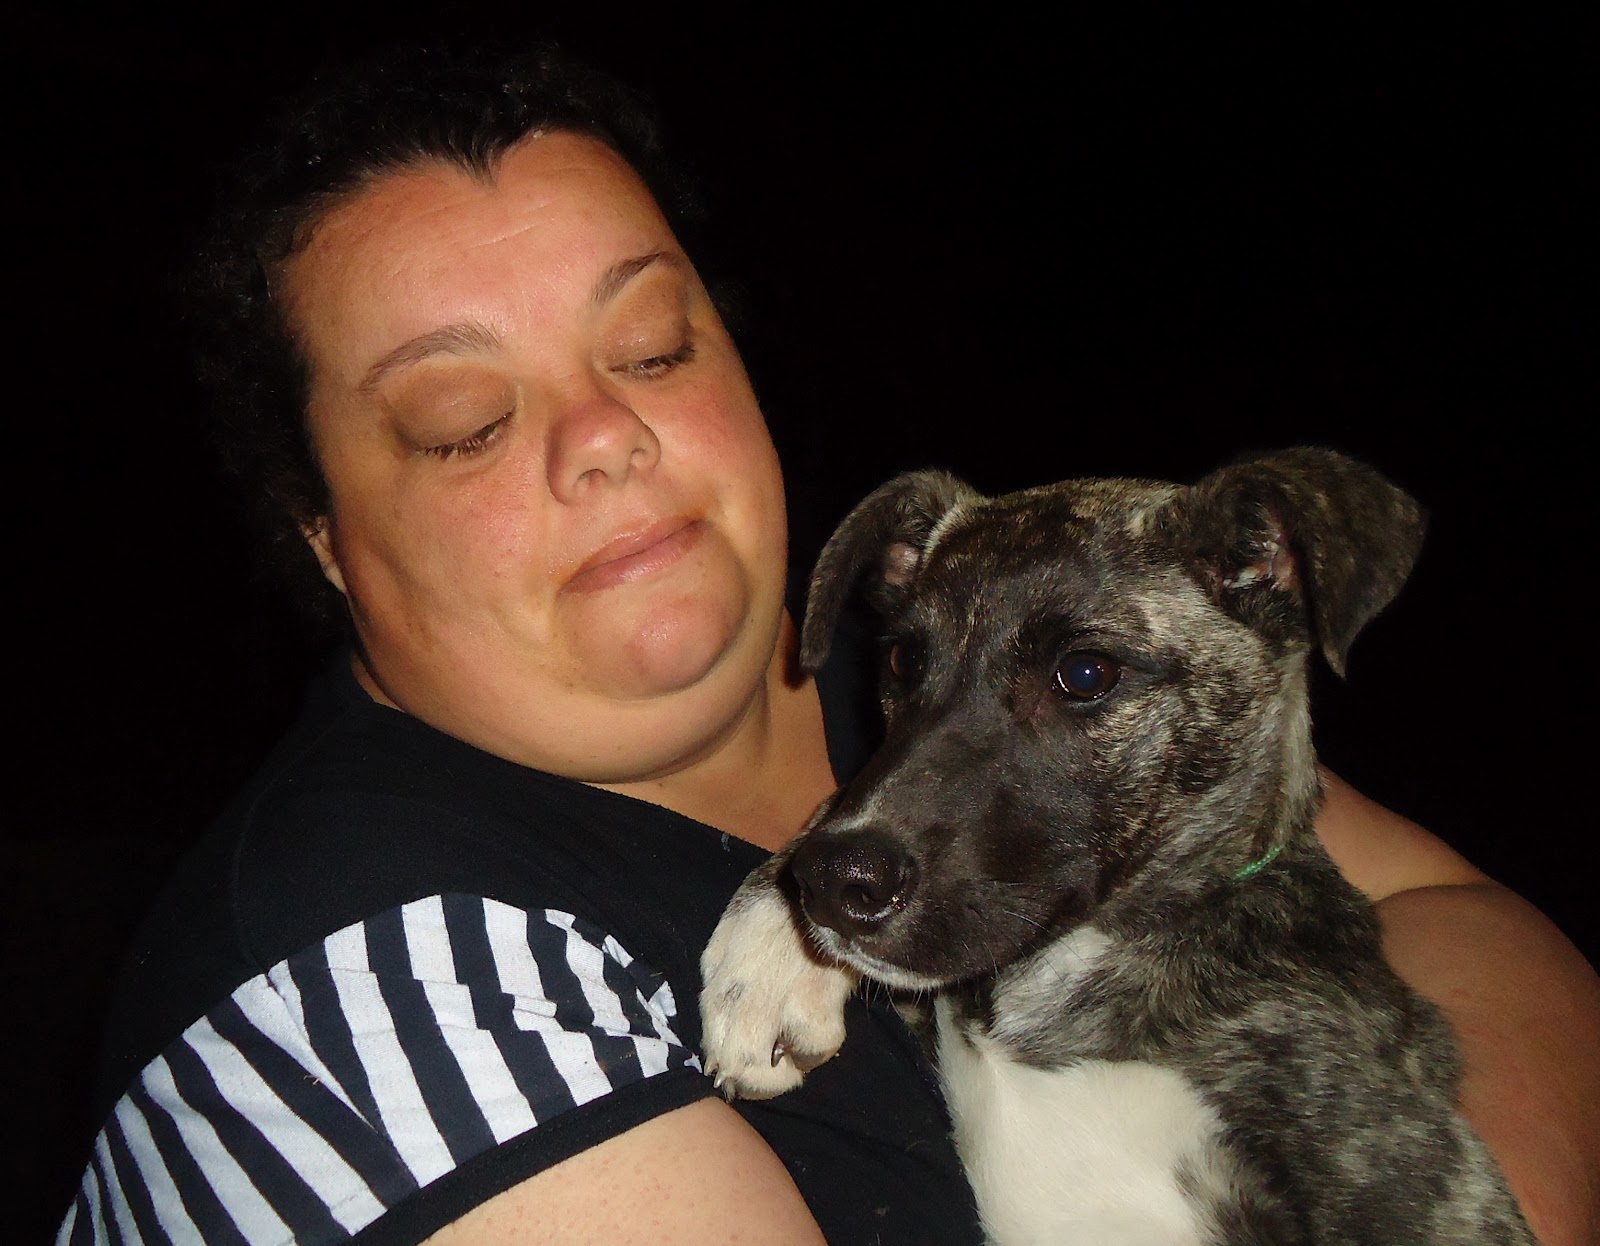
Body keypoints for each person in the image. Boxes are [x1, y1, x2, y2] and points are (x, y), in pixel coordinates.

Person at [58, 42, 1599, 1246]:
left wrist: (1426, 1192)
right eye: (463, 422)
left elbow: (1466, 914)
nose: (604, 433)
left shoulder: (921, 668)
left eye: (652, 345)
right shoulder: (365, 982)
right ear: (325, 538)